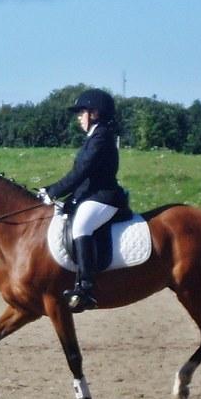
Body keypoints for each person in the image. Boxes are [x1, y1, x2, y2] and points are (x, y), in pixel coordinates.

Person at [38, 88, 129, 313]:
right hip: (91, 195)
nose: (79, 117)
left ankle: (86, 287)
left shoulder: (102, 137)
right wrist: (52, 191)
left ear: (95, 113)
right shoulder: (95, 136)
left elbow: (81, 172)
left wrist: (54, 192)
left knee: (82, 226)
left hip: (104, 198)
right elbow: (80, 176)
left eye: (82, 112)